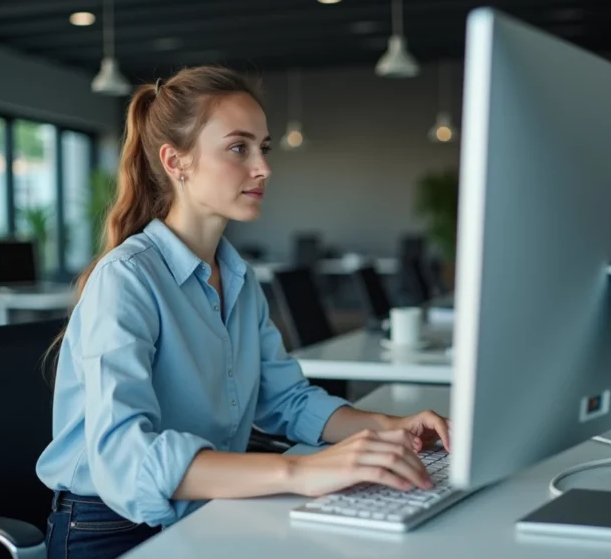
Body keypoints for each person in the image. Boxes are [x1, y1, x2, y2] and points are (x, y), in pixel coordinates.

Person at [36, 65, 450, 559]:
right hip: (114, 531)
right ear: (177, 161)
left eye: (264, 148)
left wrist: (386, 427)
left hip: (210, 509)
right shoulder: (126, 279)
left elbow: (287, 400)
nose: (263, 167)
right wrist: (303, 472)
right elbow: (125, 459)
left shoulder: (239, 278)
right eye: (239, 148)